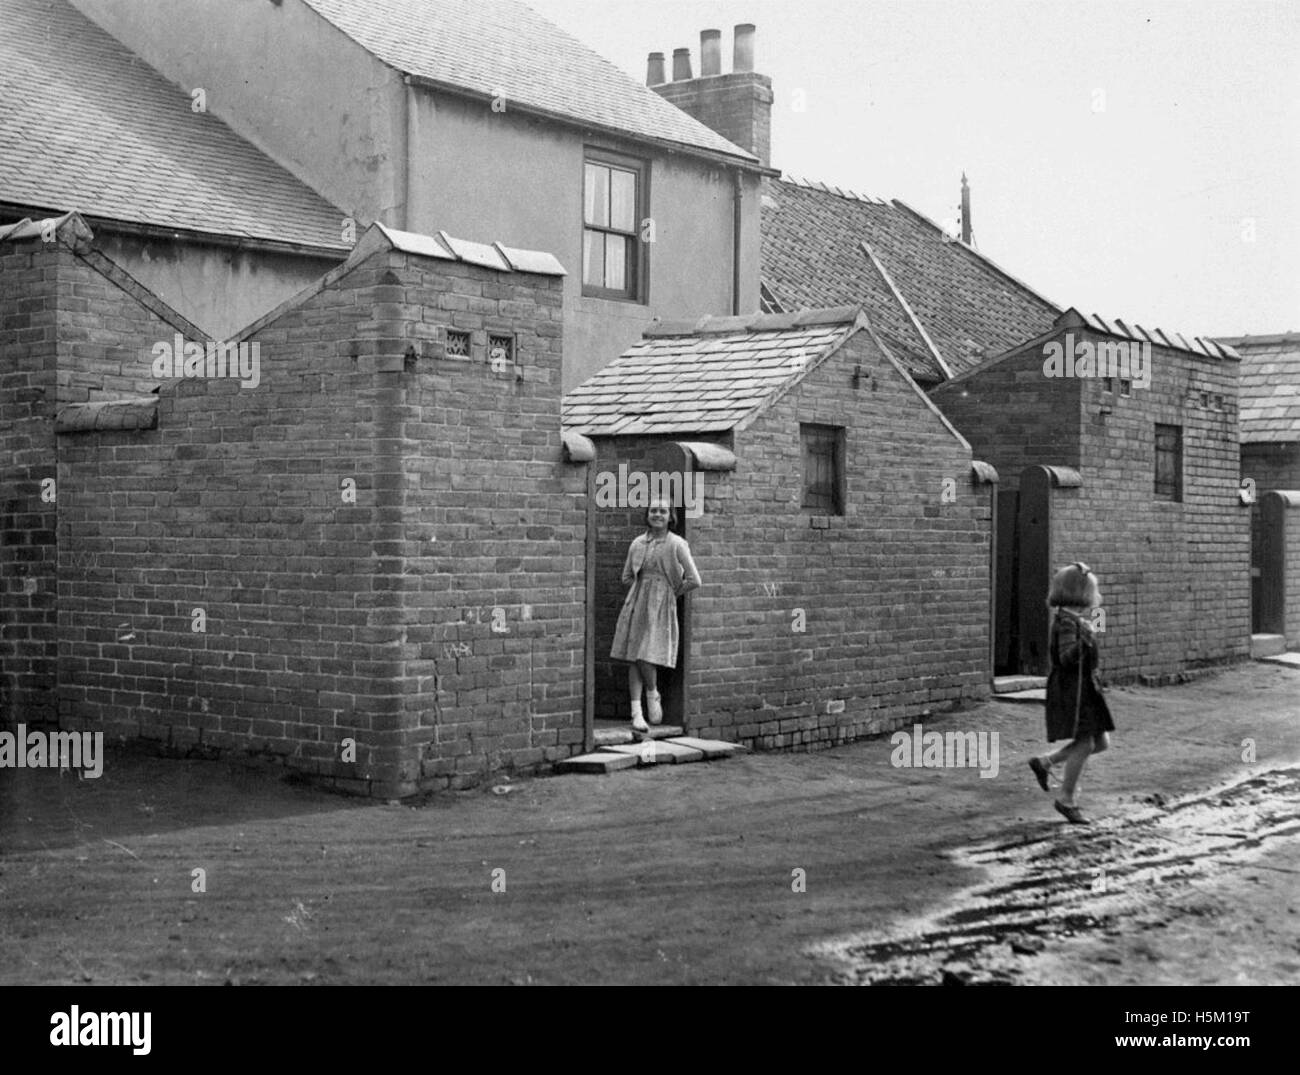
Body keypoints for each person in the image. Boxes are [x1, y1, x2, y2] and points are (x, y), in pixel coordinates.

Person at [1027, 561, 1115, 824]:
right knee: (1087, 742)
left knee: (1101, 742)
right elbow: (1066, 659)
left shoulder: (1073, 620)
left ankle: (1045, 763)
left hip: (1084, 689)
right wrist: (1087, 640)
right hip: (1071, 692)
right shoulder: (1066, 623)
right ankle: (1067, 798)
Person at [611, 498, 701, 733]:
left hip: (662, 604)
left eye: (662, 511)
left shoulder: (677, 543)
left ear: (670, 516)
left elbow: (694, 579)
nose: (657, 515)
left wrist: (670, 592)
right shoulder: (638, 543)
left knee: (645, 653)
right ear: (647, 515)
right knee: (633, 655)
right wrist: (639, 590)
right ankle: (636, 713)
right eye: (653, 511)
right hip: (638, 602)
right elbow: (626, 577)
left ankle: (652, 693)